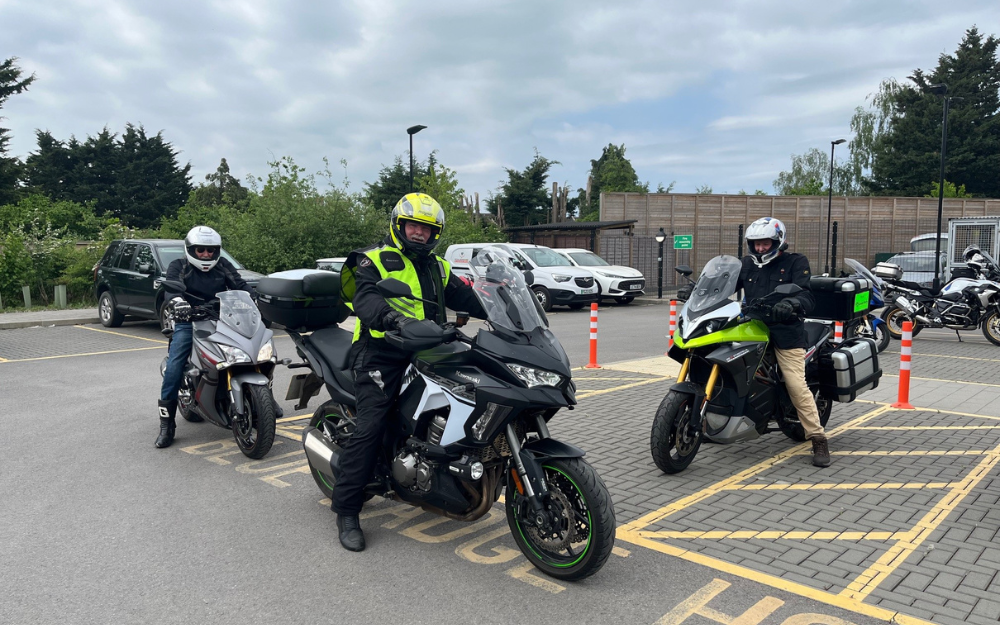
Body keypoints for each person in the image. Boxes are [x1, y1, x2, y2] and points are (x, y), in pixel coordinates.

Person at [333, 193, 487, 552]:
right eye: (413, 226)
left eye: (427, 230)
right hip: (381, 351)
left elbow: (466, 297)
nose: (419, 234)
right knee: (371, 425)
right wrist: (394, 319)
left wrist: (505, 307)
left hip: (431, 348)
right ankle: (347, 510)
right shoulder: (373, 259)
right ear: (398, 225)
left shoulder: (439, 266)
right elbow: (366, 299)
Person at [738, 217, 830, 468]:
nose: (759, 249)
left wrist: (791, 304)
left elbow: (807, 296)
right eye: (755, 244)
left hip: (785, 331)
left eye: (765, 243)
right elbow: (723, 287)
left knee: (795, 384)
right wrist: (697, 292)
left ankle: (818, 437)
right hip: (752, 328)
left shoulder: (795, 262)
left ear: (778, 241)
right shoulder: (746, 264)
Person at [156, 226, 253, 449]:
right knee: (174, 366)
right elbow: (172, 289)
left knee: (251, 350)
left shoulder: (223, 266)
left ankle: (262, 398)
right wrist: (178, 302)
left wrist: (256, 297)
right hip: (188, 320)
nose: (206, 255)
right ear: (191, 249)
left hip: (224, 319)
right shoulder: (178, 266)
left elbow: (240, 284)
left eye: (211, 250)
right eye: (201, 250)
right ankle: (167, 424)